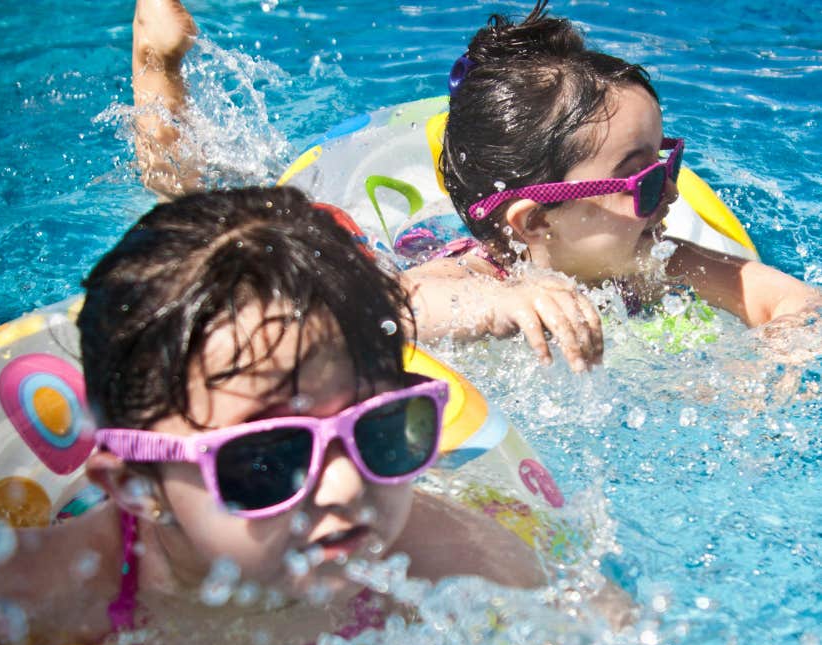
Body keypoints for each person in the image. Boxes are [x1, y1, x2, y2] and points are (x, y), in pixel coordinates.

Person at [0, 185, 554, 645]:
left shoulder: (434, 555)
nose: (346, 487)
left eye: (380, 429)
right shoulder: (42, 593)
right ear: (136, 485)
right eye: (268, 460)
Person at [131, 0, 821, 374]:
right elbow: (392, 309)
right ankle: (157, 67)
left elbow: (786, 302)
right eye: (640, 181)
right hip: (395, 248)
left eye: (666, 163)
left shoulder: (655, 260)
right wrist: (500, 300)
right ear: (534, 224)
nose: (667, 195)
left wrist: (771, 366)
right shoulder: (473, 272)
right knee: (205, 220)